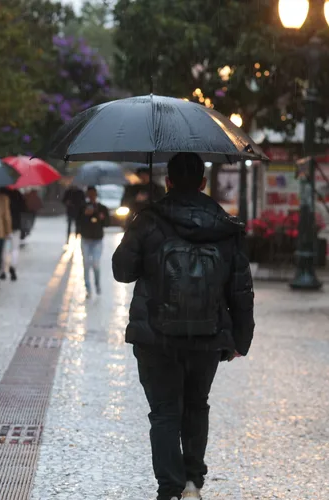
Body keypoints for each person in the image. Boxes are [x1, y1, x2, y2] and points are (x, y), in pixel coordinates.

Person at [112, 152, 254, 500]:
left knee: (164, 412)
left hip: (155, 335)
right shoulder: (224, 225)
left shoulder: (148, 220)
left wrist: (139, 228)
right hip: (207, 334)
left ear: (168, 181)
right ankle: (192, 481)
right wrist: (240, 338)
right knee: (196, 405)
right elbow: (240, 288)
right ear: (204, 183)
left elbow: (122, 271)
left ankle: (170, 488)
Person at [79, 186, 109, 297]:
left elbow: (107, 223)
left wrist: (101, 217)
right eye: (89, 194)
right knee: (86, 263)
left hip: (97, 240)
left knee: (96, 264)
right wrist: (84, 215)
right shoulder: (82, 207)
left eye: (93, 194)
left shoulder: (102, 208)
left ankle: (97, 284)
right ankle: (88, 288)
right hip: (86, 239)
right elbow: (78, 222)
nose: (91, 196)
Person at [2, 187, 27, 281]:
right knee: (15, 248)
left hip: (4, 226)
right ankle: (13, 266)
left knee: (5, 248)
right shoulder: (17, 194)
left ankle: (3, 271)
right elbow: (24, 208)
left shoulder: (2, 194)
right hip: (16, 225)